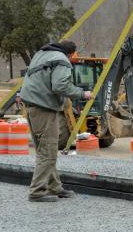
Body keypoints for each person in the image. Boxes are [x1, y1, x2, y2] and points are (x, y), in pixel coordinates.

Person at [21, 40, 91, 202]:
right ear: (72, 53)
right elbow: (60, 85)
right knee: (49, 151)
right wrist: (82, 94)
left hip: (32, 105)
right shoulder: (62, 60)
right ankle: (37, 191)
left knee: (44, 150)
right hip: (44, 107)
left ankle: (54, 187)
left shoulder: (42, 54)